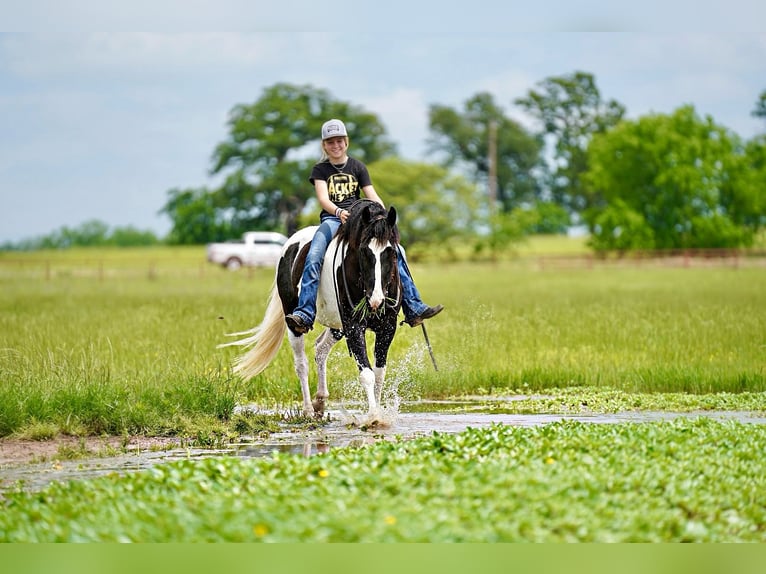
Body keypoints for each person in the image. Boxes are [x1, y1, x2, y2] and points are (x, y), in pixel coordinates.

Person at [285, 118, 443, 335]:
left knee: (398, 252)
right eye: (331, 142)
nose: (336, 146)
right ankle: (305, 311)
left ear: (346, 142)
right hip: (333, 219)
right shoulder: (320, 170)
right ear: (324, 145)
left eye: (339, 141)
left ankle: (413, 306)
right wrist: (339, 212)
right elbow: (323, 199)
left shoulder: (357, 167)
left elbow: (372, 195)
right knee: (314, 254)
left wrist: (383, 218)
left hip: (361, 220)